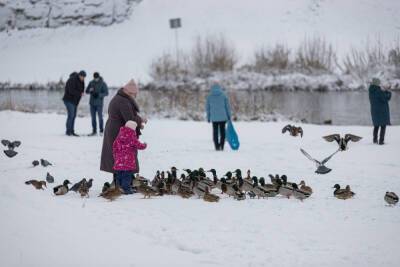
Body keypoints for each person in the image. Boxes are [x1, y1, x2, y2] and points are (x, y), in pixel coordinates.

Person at [100, 79, 147, 181]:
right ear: (128, 92)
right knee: (123, 156)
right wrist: (141, 120)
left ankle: (124, 179)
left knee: (119, 156)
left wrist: (138, 124)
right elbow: (130, 118)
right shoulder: (123, 101)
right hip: (118, 131)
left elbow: (129, 118)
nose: (135, 96)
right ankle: (123, 181)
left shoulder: (120, 98)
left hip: (117, 129)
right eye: (134, 94)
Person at [113, 120, 147, 194]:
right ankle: (126, 189)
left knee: (119, 175)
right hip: (127, 162)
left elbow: (114, 145)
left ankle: (118, 188)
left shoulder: (119, 135)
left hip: (119, 161)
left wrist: (115, 155)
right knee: (126, 176)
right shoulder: (131, 136)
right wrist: (144, 145)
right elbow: (138, 145)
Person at [206, 83, 232, 151]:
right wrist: (229, 116)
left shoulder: (209, 96)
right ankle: (222, 146)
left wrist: (208, 117)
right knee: (223, 132)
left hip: (214, 118)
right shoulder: (224, 95)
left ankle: (216, 146)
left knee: (215, 132)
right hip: (223, 117)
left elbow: (208, 108)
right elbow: (227, 107)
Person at [62, 70, 86, 136]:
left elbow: (82, 90)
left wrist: (81, 94)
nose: (83, 78)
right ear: (79, 75)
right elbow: (71, 91)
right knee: (71, 115)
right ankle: (68, 131)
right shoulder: (72, 80)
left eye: (84, 77)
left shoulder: (82, 81)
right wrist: (80, 93)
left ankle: (72, 131)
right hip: (68, 100)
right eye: (82, 76)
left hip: (75, 101)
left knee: (73, 116)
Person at [368, 78, 392, 145]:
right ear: (377, 83)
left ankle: (375, 140)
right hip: (382, 111)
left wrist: (384, 91)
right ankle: (381, 141)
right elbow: (386, 98)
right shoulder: (378, 91)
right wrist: (388, 91)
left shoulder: (371, 91)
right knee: (383, 126)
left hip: (374, 111)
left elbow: (380, 97)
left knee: (376, 126)